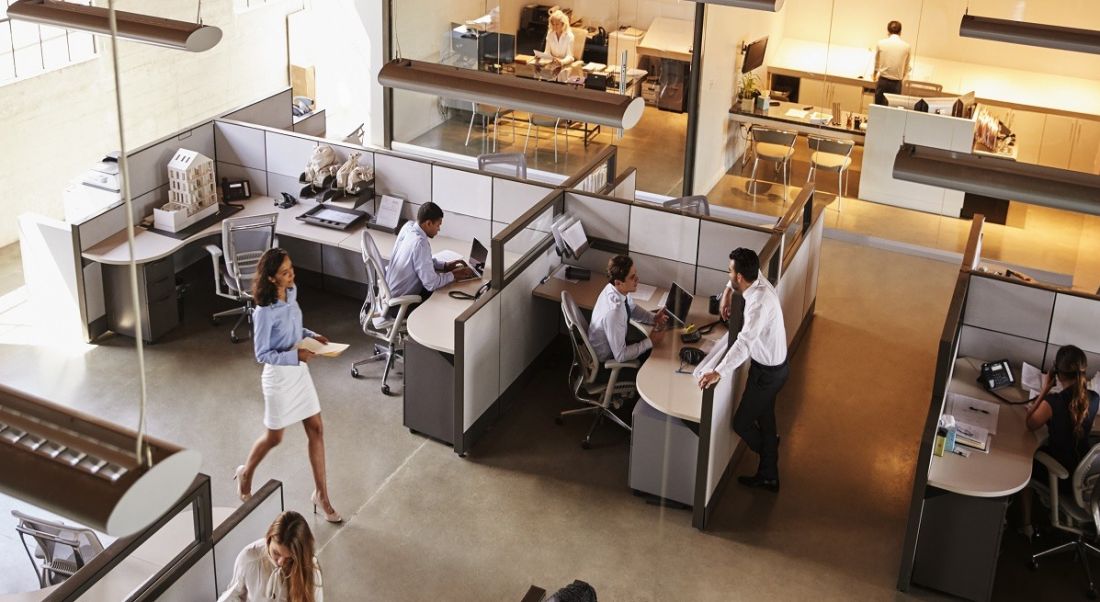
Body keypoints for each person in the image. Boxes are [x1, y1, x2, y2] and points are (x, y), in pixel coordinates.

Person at [233, 248, 342, 523]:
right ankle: (246, 472)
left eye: (291, 268)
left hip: (299, 372)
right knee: (275, 438)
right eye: (284, 272)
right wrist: (296, 355)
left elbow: (294, 330)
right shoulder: (264, 312)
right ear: (271, 279)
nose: (291, 274)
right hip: (279, 377)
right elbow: (262, 354)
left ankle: (322, 495)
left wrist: (311, 335)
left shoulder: (291, 293)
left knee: (317, 429)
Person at [696, 248, 788, 492]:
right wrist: (727, 292)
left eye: (730, 271)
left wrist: (719, 371)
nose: (729, 274)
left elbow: (745, 344)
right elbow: (736, 278)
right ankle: (769, 474)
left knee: (741, 423)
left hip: (767, 373)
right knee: (766, 418)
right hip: (773, 367)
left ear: (740, 276)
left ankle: (770, 454)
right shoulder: (756, 279)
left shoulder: (757, 304)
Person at [1020, 345, 1100, 535]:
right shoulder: (1094, 398)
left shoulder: (1053, 402)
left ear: (1057, 372)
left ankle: (1025, 525)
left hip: (1063, 475)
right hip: (1085, 475)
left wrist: (1044, 390)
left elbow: (1030, 423)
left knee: (1025, 463)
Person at [384, 202, 474, 314]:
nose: (439, 229)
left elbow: (420, 260)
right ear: (428, 223)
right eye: (438, 225)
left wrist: (445, 266)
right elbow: (431, 284)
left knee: (443, 284)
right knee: (445, 298)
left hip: (389, 293)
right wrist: (455, 275)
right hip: (399, 304)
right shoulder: (420, 244)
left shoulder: (408, 227)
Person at [218, 511, 323, 602]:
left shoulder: (310, 569)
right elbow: (234, 594)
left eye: (290, 558)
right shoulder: (249, 558)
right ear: (269, 538)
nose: (280, 562)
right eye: (276, 553)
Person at [588, 255, 668, 366]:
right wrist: (651, 341)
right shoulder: (614, 312)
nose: (637, 279)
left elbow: (631, 308)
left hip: (616, 347)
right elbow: (621, 356)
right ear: (618, 283)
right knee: (657, 360)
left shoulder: (615, 290)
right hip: (608, 361)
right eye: (632, 277)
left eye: (636, 274)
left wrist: (653, 318)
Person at [873, 20, 911, 105]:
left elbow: (876, 63)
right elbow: (906, 67)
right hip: (897, 83)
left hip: (883, 81)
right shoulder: (907, 47)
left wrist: (875, 75)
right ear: (900, 32)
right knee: (892, 111)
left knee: (878, 109)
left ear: (888, 32)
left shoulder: (881, 43)